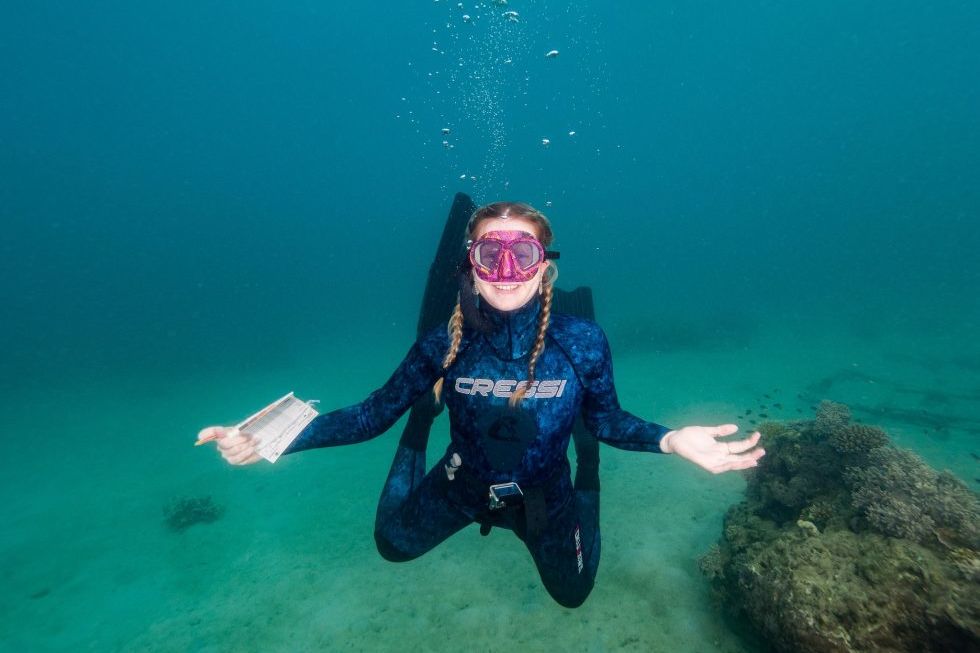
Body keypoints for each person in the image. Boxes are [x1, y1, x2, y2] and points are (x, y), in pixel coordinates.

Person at [197, 201, 765, 608]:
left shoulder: (582, 342)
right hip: (463, 481)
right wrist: (272, 438)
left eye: (524, 254)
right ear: (471, 264)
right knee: (392, 546)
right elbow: (369, 414)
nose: (509, 271)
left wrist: (670, 439)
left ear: (545, 264)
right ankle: (425, 417)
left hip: (548, 493)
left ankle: (584, 463)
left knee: (573, 593)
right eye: (492, 254)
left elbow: (609, 418)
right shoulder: (445, 342)